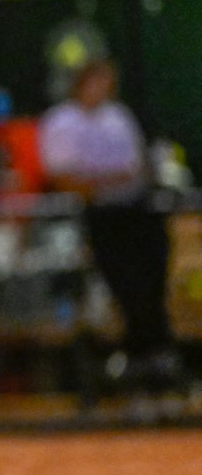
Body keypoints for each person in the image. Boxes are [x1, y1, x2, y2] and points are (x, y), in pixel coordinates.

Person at [38, 58, 177, 388]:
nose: (104, 88)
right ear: (81, 83)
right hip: (100, 217)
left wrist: (123, 178)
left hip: (137, 209)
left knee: (153, 279)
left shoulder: (118, 116)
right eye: (96, 80)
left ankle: (157, 356)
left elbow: (138, 167)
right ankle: (133, 358)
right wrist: (107, 180)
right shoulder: (62, 121)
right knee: (124, 286)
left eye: (107, 81)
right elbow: (62, 178)